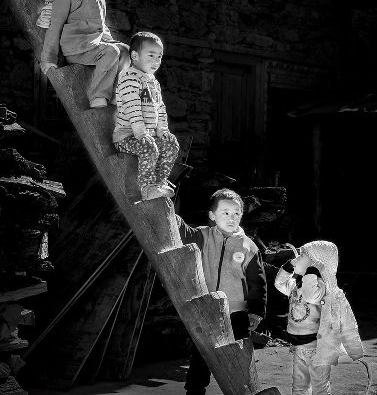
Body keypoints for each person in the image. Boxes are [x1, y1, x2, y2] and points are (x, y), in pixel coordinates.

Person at [177, 188, 267, 395]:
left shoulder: (249, 246)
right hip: (207, 310)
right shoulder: (203, 236)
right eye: (225, 212)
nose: (231, 217)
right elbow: (181, 231)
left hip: (237, 313)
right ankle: (194, 391)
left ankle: (244, 390)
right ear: (212, 215)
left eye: (236, 213)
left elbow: (257, 282)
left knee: (240, 358)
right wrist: (167, 207)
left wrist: (256, 312)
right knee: (201, 357)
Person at [40, 0, 130, 107]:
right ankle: (98, 97)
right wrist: (48, 58)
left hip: (94, 46)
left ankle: (116, 94)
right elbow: (55, 26)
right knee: (111, 52)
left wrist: (112, 43)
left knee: (125, 50)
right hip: (76, 49)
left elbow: (103, 28)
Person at [275, 240, 363, 395]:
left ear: (316, 262)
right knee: (299, 386)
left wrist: (310, 270)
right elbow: (280, 284)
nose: (298, 258)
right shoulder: (297, 285)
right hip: (298, 345)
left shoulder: (323, 287)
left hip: (317, 347)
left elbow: (311, 295)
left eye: (303, 256)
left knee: (320, 386)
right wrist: (290, 266)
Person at [113, 32, 180, 200]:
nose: (156, 61)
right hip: (127, 137)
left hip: (147, 135)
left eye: (159, 56)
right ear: (135, 56)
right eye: (151, 55)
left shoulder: (153, 82)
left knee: (171, 144)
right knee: (149, 148)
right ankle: (147, 188)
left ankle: (159, 182)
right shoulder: (129, 77)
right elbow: (133, 108)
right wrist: (141, 133)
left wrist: (162, 130)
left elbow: (160, 108)